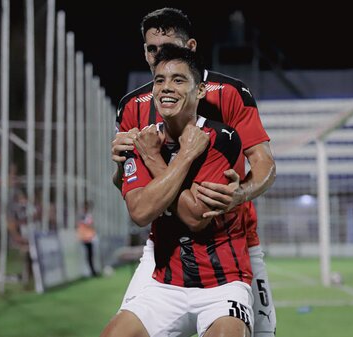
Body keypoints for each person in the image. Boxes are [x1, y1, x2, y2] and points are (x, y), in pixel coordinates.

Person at [111, 8, 276, 336]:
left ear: (191, 47)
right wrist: (119, 167)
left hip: (229, 242)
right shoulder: (133, 107)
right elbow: (131, 192)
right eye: (151, 49)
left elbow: (264, 164)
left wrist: (240, 193)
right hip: (165, 245)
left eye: (169, 47)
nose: (159, 56)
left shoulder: (229, 94)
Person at [77, 201, 98, 277]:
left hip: (89, 238)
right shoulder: (83, 216)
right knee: (88, 256)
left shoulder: (86, 215)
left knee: (90, 255)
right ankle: (90, 272)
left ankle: (92, 271)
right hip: (85, 238)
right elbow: (88, 224)